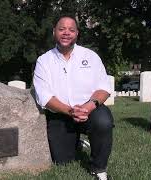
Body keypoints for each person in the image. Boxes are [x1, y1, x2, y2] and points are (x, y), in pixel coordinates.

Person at [33, 15, 114, 180]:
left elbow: (104, 88)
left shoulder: (90, 56)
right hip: (61, 114)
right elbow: (44, 96)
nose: (66, 33)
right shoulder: (44, 61)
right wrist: (70, 111)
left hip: (90, 110)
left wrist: (88, 107)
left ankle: (98, 168)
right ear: (54, 32)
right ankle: (77, 142)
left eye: (71, 29)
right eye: (62, 29)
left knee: (103, 122)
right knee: (62, 161)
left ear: (77, 33)